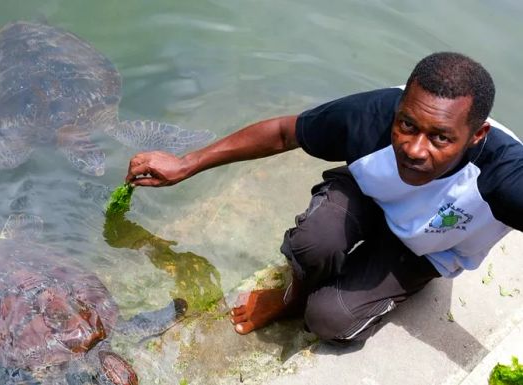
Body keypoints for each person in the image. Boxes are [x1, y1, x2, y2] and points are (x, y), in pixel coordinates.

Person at [124, 52, 523, 344]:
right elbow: (285, 132)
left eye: (440, 137)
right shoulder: (373, 114)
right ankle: (290, 295)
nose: (415, 149)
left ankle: (383, 282)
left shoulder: (504, 176)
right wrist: (186, 163)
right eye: (407, 125)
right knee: (313, 242)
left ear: (477, 136)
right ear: (399, 109)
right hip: (371, 195)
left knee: (330, 320)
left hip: (428, 246)